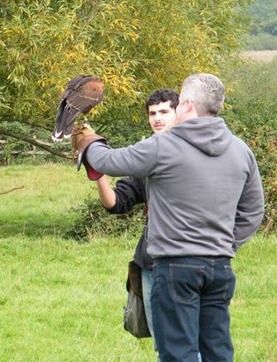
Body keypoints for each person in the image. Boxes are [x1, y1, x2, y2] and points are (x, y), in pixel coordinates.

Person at [73, 74, 264, 362]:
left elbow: (108, 162)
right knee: (218, 352)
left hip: (175, 267)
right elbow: (253, 211)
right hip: (220, 267)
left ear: (186, 105)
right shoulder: (241, 150)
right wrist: (223, 245)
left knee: (178, 354)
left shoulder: (163, 146)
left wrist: (89, 141)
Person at [95, 88, 179, 344]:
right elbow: (117, 202)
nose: (157, 118)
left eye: (164, 111)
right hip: (152, 262)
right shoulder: (148, 158)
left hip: (186, 262)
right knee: (163, 343)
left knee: (185, 343)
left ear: (180, 112)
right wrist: (97, 171)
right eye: (152, 113)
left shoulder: (190, 153)